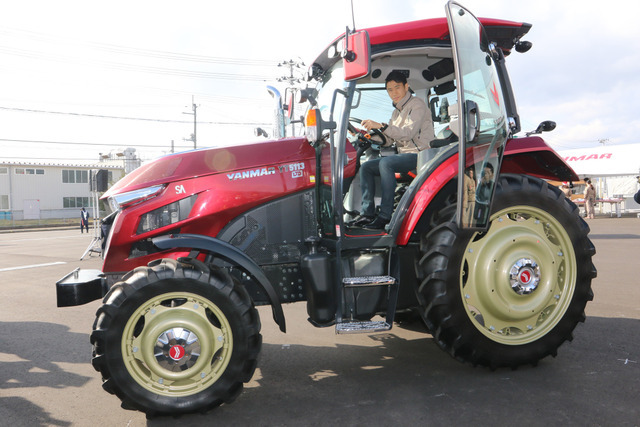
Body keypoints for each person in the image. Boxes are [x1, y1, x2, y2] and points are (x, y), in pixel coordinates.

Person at [351, 71, 434, 229]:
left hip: (420, 155)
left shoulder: (417, 105)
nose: (394, 93)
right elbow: (388, 139)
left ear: (406, 86)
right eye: (390, 90)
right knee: (367, 167)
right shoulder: (396, 112)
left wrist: (381, 126)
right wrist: (367, 136)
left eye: (397, 87)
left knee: (386, 164)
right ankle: (367, 214)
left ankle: (384, 216)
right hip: (404, 156)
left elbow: (407, 133)